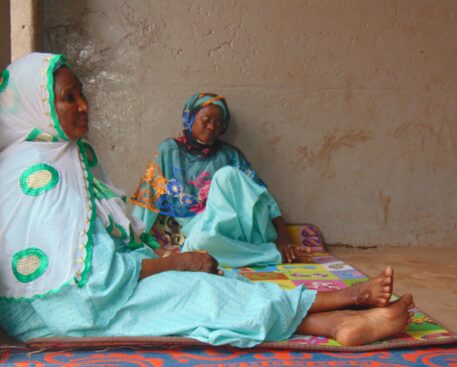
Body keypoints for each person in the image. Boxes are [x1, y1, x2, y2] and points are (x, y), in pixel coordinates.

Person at [0, 53, 413, 347]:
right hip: (62, 311)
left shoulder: (65, 155)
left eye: (82, 93)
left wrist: (160, 254)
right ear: (38, 108)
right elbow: (95, 280)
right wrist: (171, 258)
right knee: (197, 292)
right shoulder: (41, 174)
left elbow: (102, 245)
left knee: (210, 281)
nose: (84, 105)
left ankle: (332, 317)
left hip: (92, 291)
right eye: (69, 97)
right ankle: (342, 308)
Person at [130, 92, 310, 267]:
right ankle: (270, 254)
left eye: (217, 123)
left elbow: (261, 196)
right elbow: (148, 199)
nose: (211, 127)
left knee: (226, 175)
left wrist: (284, 237)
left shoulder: (229, 155)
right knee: (197, 246)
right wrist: (134, 239)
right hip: (210, 234)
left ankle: (262, 248)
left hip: (244, 227)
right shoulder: (169, 151)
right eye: (206, 120)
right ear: (190, 118)